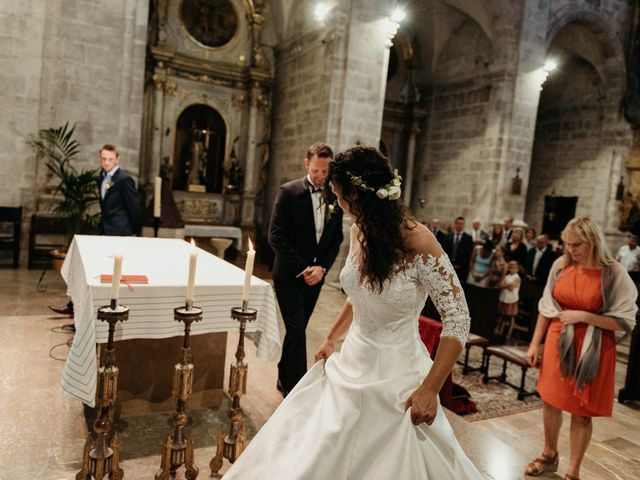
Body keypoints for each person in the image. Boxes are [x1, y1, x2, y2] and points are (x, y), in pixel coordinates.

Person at [225, 146, 481, 479]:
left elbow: (458, 319)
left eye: (339, 196)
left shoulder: (420, 243)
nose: (338, 204)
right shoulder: (360, 228)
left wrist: (430, 388)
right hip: (352, 360)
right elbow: (361, 293)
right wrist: (331, 337)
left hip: (398, 375)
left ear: (357, 195)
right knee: (322, 446)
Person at [525, 218, 637, 480]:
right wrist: (534, 344)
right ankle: (548, 454)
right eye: (567, 243)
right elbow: (546, 307)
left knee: (581, 411)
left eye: (577, 244)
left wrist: (584, 317)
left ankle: (573, 470)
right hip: (557, 340)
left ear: (594, 241)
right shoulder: (560, 266)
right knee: (551, 401)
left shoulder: (614, 273)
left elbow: (625, 320)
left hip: (594, 348)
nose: (571, 249)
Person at [268, 142, 344, 396]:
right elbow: (276, 236)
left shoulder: (335, 196)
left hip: (316, 278)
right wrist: (305, 268)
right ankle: (297, 389)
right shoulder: (288, 192)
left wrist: (322, 268)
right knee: (297, 329)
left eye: (325, 172)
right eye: (315, 171)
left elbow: (336, 239)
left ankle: (283, 377)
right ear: (306, 164)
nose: (321, 177)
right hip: (289, 275)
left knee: (296, 330)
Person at [48, 144, 140, 316]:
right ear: (100, 159)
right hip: (104, 229)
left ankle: (103, 310)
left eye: (110, 159)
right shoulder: (101, 177)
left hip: (120, 232)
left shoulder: (124, 179)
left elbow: (134, 208)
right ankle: (75, 307)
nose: (106, 162)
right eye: (104, 159)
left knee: (115, 273)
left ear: (117, 159)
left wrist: (133, 232)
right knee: (93, 269)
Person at [442, 216, 474, 282]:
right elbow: (444, 251)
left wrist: (460, 265)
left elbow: (468, 254)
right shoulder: (448, 236)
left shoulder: (468, 238)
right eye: (458, 223)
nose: (460, 225)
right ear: (455, 224)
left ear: (464, 225)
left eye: (462, 224)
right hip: (448, 266)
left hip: (461, 269)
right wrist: (448, 263)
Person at [497, 260, 521, 335]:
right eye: (510, 268)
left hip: (512, 299)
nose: (511, 269)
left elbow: (512, 287)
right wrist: (507, 285)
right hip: (504, 297)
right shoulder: (507, 276)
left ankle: (509, 333)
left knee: (511, 316)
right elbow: (500, 285)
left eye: (514, 268)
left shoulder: (517, 277)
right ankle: (499, 329)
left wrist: (506, 285)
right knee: (502, 315)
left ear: (517, 269)